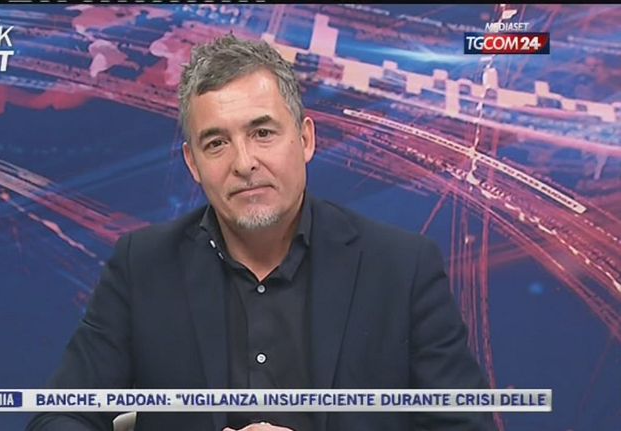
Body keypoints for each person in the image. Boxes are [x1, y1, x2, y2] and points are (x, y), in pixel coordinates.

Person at [27, 34, 495, 431]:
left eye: (263, 133)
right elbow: (57, 417)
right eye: (217, 143)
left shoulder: (401, 268)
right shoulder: (143, 266)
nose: (244, 162)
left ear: (306, 139)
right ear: (193, 163)